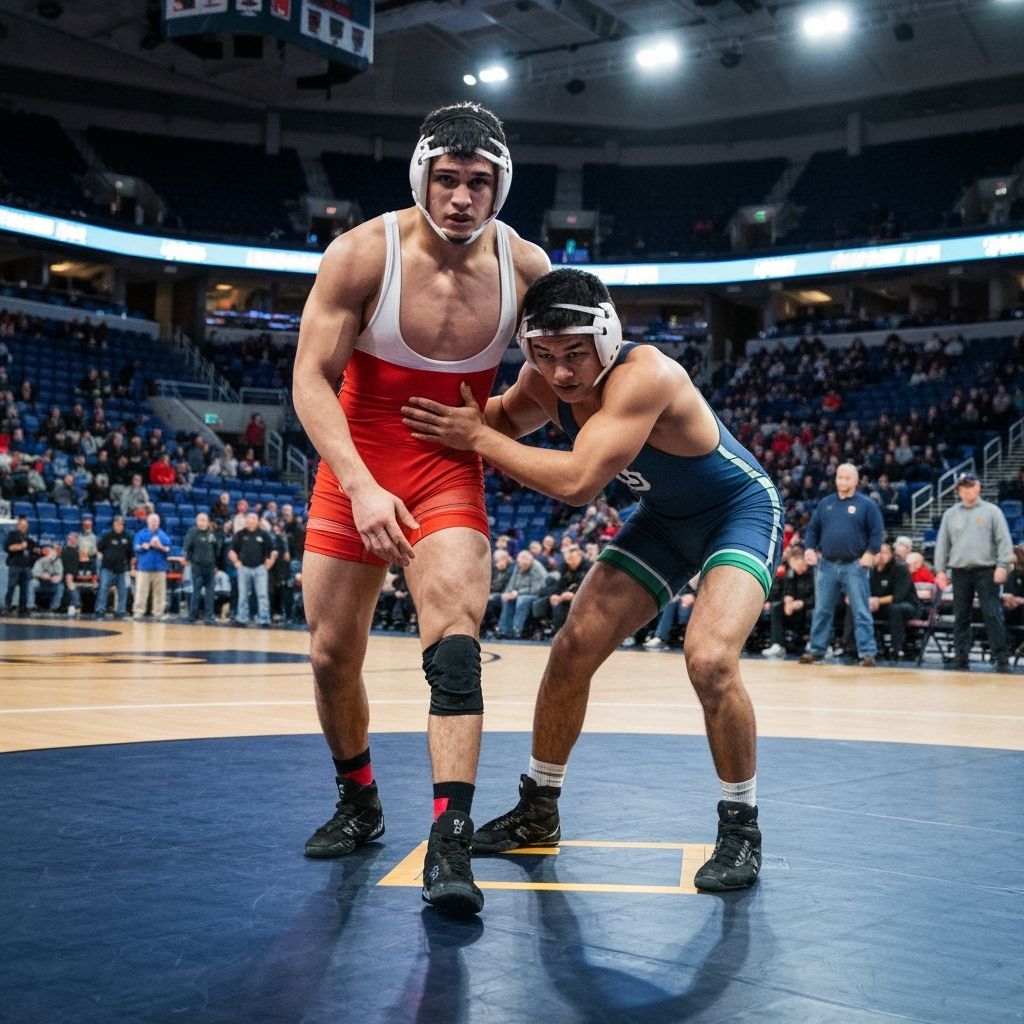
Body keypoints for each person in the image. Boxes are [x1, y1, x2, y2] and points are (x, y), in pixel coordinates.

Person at [403, 267, 783, 893]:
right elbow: (493, 423)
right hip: (663, 519)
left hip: (737, 511)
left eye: (575, 354)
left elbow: (579, 483)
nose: (560, 373)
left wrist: (474, 436)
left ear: (607, 338)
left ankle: (741, 829)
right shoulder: (544, 382)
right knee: (571, 650)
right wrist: (432, 420)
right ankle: (538, 809)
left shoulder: (647, 375)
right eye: (543, 355)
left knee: (710, 659)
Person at [290, 101, 548, 916]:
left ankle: (449, 838)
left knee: (457, 652)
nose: (463, 198)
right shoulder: (362, 253)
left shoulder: (526, 270)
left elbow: (556, 385)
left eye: (479, 182)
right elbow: (308, 381)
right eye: (448, 179)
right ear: (421, 177)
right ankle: (360, 799)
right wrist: (361, 485)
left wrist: (487, 428)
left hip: (445, 473)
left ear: (500, 185)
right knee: (334, 657)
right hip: (353, 467)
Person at [798, 463, 884, 667]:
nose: (842, 481)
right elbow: (812, 530)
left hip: (855, 565)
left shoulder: (867, 505)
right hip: (826, 565)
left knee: (861, 610)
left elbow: (877, 532)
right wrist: (809, 548)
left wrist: (871, 553)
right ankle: (816, 649)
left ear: (855, 480)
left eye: (847, 478)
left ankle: (867, 653)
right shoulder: (826, 503)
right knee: (822, 611)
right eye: (839, 477)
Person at [933, 471, 1013, 672]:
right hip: (960, 571)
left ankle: (1001, 657)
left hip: (987, 570)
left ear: (978, 487)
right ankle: (961, 657)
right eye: (963, 487)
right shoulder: (951, 514)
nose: (967, 490)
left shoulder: (992, 511)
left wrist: (1003, 565)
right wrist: (940, 570)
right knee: (961, 615)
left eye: (971, 486)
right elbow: (942, 544)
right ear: (958, 490)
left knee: (992, 613)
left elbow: (1003, 540)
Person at [761, 545, 814, 658]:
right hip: (792, 608)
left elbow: (818, 598)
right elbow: (787, 590)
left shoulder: (814, 572)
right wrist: (787, 600)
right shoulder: (791, 573)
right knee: (776, 607)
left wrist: (802, 603)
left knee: (814, 611)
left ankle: (813, 643)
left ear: (800, 559)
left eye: (794, 564)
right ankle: (777, 645)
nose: (793, 568)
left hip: (808, 607)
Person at [229, 512, 275, 627]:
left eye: (254, 518)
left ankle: (264, 620)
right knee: (243, 595)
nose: (251, 520)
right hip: (243, 568)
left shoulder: (264, 534)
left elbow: (273, 550)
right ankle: (242, 619)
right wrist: (236, 562)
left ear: (258, 521)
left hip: (260, 569)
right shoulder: (240, 534)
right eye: (249, 518)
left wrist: (270, 562)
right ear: (246, 521)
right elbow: (232, 551)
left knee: (262, 595)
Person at [496, 548, 550, 638]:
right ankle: (504, 630)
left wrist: (518, 593)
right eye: (519, 563)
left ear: (529, 561)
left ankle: (517, 630)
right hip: (519, 594)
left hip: (537, 595)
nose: (520, 566)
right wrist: (507, 593)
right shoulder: (518, 566)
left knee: (522, 600)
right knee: (506, 599)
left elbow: (538, 588)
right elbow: (511, 583)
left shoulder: (537, 568)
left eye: (523, 564)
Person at [182, 512, 220, 624]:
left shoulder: (212, 534)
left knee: (210, 593)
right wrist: (186, 558)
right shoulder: (192, 532)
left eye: (204, 520)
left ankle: (209, 617)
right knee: (196, 592)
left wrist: (217, 565)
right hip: (197, 566)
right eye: (200, 520)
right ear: (196, 521)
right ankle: (192, 616)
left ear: (208, 522)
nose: (202, 522)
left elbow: (217, 550)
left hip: (210, 567)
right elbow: (186, 547)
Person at [132, 512, 171, 620]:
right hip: (144, 568)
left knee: (159, 593)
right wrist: (144, 546)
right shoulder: (141, 534)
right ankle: (138, 613)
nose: (154, 523)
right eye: (152, 521)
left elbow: (168, 550)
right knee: (141, 592)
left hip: (159, 569)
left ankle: (158, 614)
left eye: (156, 521)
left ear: (159, 523)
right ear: (148, 522)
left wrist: (159, 546)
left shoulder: (163, 535)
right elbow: (136, 547)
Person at [96, 515, 132, 618]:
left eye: (121, 524)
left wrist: (129, 567)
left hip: (122, 569)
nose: (119, 526)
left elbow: (130, 554)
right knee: (103, 588)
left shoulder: (127, 537)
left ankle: (121, 610)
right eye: (117, 524)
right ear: (113, 525)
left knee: (123, 591)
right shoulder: (107, 536)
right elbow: (100, 548)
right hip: (107, 568)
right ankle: (100, 609)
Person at [3, 516, 37, 615]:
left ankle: (23, 607)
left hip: (26, 565)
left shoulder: (27, 537)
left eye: (26, 526)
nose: (25, 528)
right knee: (11, 586)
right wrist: (21, 546)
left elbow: (34, 549)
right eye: (23, 526)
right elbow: (9, 547)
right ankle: (7, 606)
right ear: (18, 526)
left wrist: (36, 550)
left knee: (24, 588)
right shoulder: (12, 535)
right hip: (15, 565)